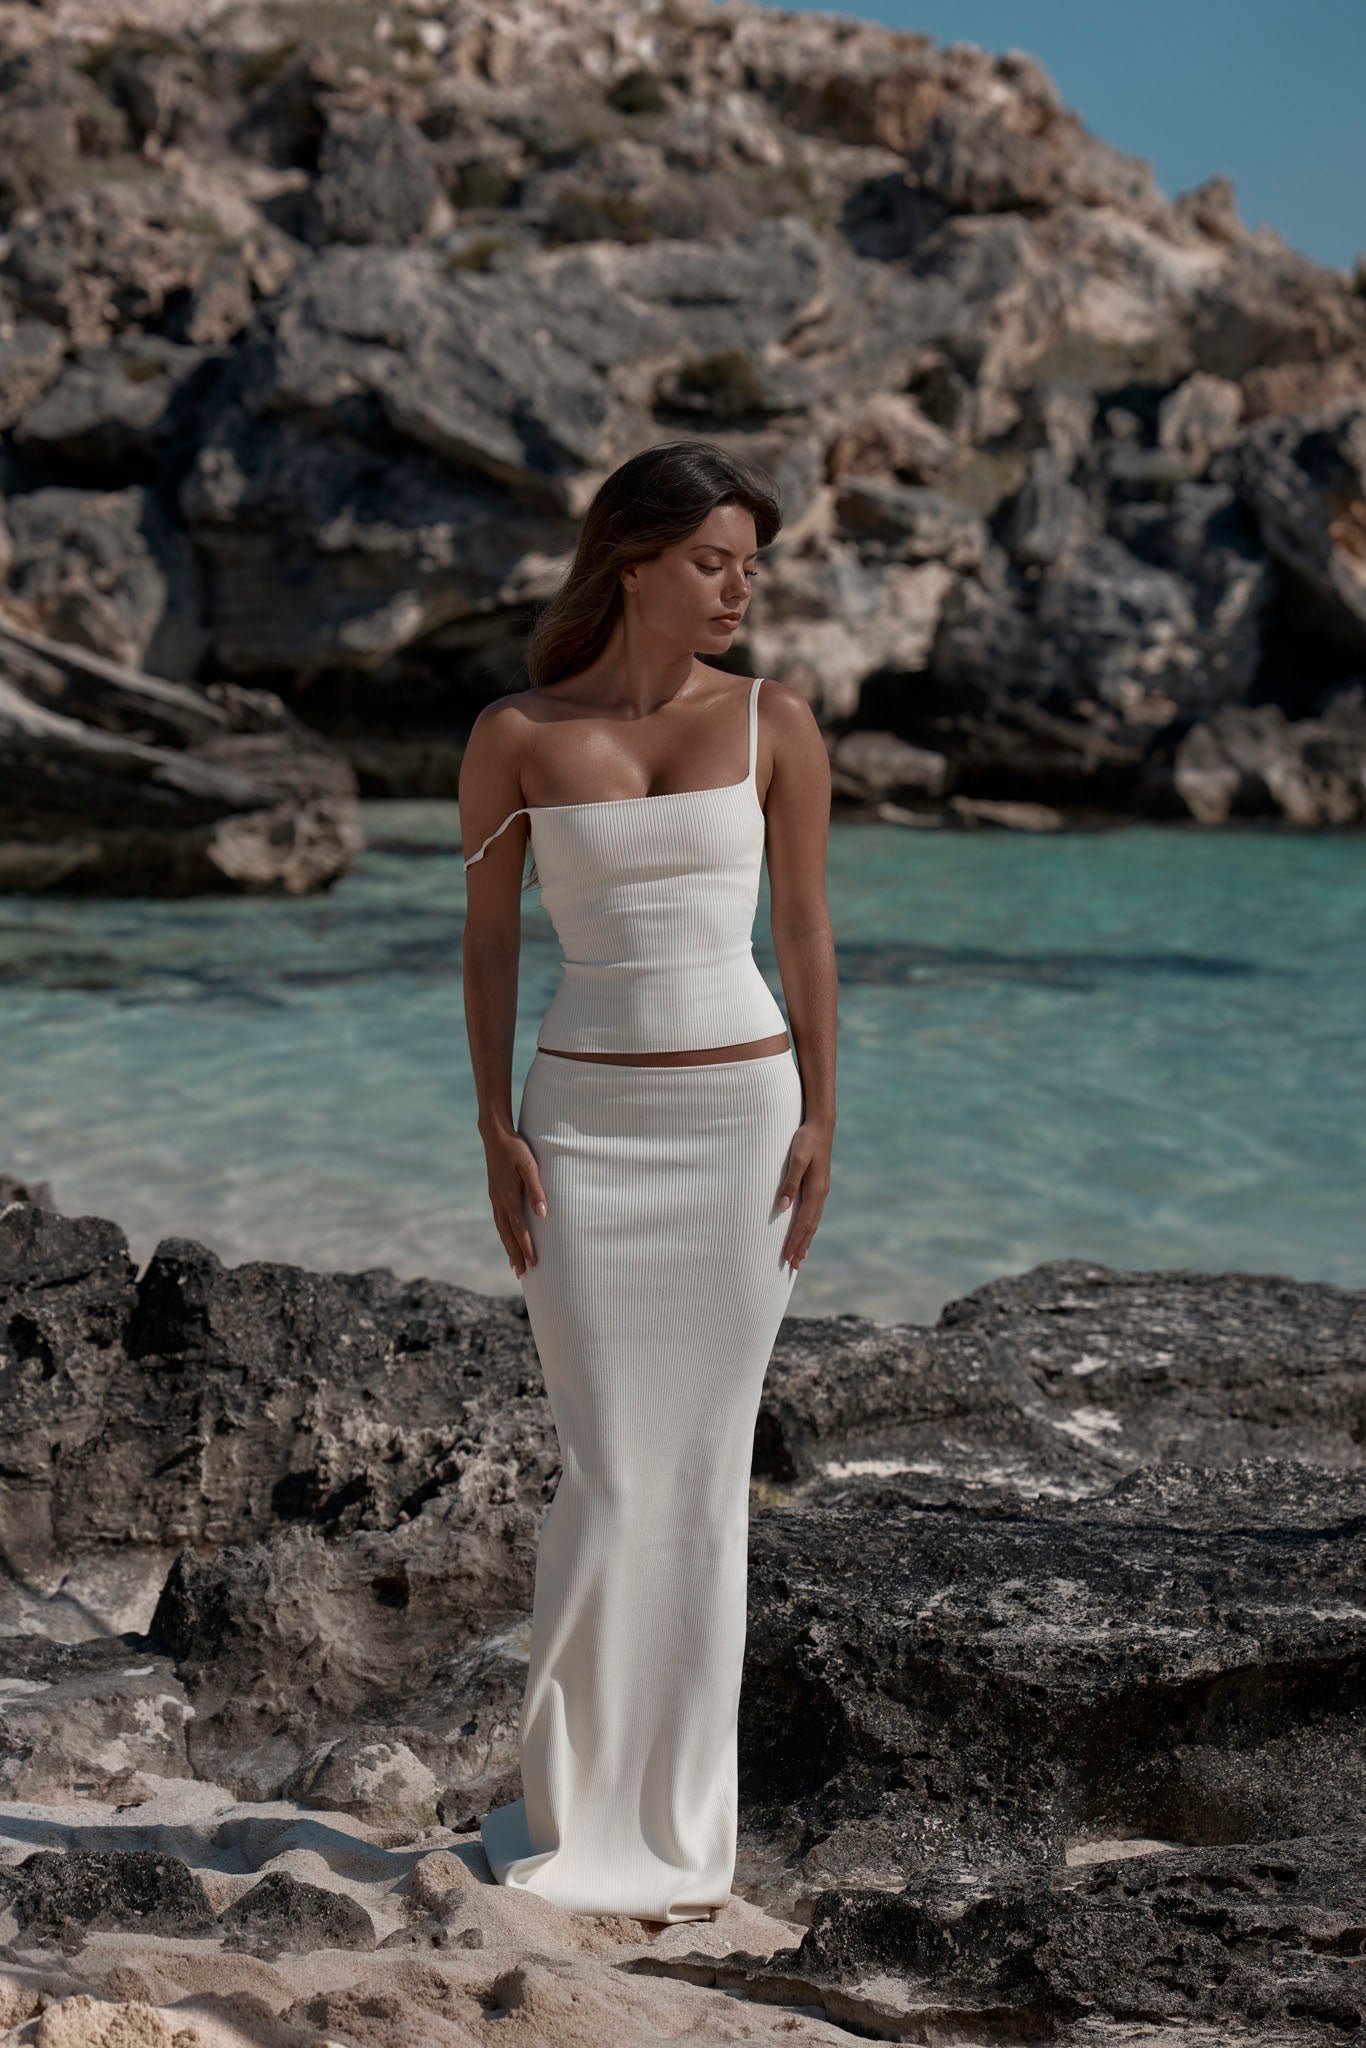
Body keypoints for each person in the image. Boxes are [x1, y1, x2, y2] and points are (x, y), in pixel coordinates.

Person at [458, 439, 836, 1930]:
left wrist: (826, 1119)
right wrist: (490, 1123)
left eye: (752, 564)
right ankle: (576, 1811)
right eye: (711, 561)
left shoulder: (775, 726)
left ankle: (675, 1829)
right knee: (612, 1474)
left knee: (698, 1480)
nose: (739, 587)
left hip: (743, 1128)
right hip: (579, 1134)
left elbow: (803, 931)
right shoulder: (513, 734)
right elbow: (489, 944)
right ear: (631, 564)